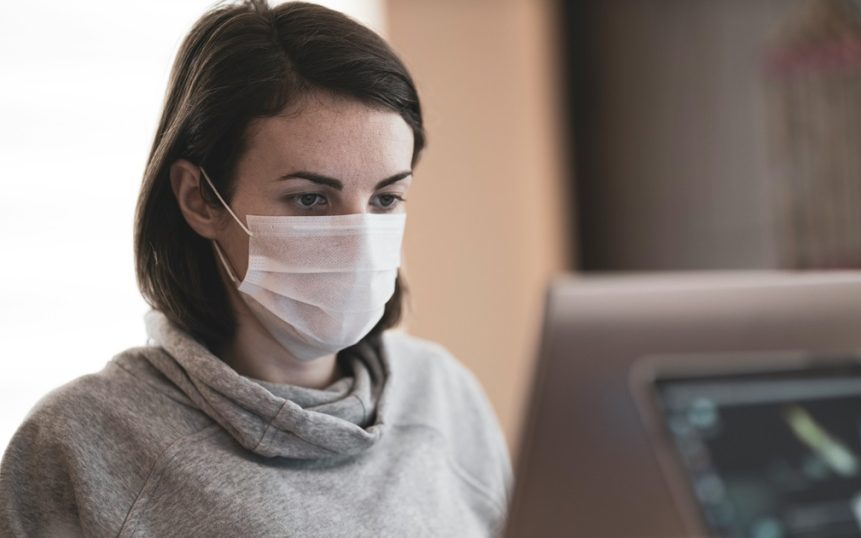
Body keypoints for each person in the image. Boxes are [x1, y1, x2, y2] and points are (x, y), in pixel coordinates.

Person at [0, 1, 512, 536]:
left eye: (385, 199)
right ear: (200, 199)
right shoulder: (80, 444)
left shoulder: (444, 396)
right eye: (311, 200)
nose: (358, 241)